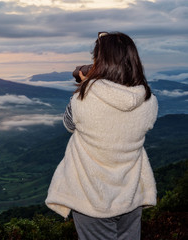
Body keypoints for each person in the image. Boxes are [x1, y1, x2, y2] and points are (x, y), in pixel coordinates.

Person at [45, 32, 158, 240]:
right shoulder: (149, 102)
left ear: (101, 62)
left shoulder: (83, 99)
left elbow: (69, 124)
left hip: (91, 199)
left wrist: (86, 85)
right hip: (130, 195)